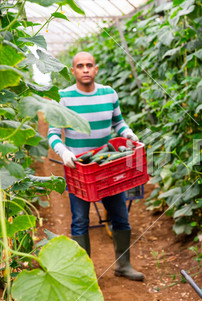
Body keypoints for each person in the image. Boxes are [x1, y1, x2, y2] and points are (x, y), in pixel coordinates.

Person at [48, 52, 144, 281]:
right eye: (80, 66)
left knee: (120, 216)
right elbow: (53, 134)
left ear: (96, 69)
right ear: (73, 71)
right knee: (80, 220)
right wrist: (64, 153)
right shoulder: (63, 98)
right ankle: (85, 274)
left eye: (89, 65)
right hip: (78, 168)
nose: (85, 69)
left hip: (106, 166)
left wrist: (127, 133)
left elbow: (118, 122)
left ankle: (123, 265)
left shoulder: (109, 94)